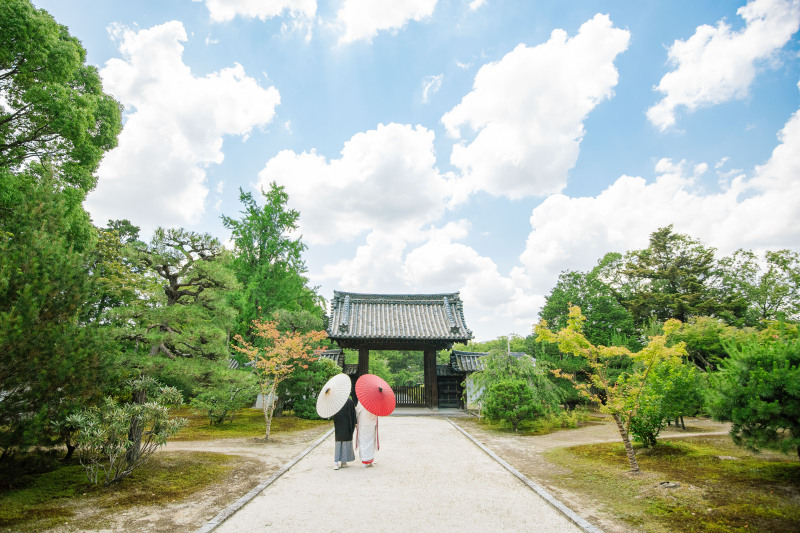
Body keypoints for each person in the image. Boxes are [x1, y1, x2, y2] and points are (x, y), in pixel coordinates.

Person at [331, 396, 356, 470]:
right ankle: (343, 462)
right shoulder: (350, 402)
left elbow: (333, 415)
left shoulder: (336, 402)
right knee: (345, 443)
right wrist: (354, 423)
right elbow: (353, 415)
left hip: (339, 425)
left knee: (339, 442)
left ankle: (337, 462)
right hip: (347, 426)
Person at [355, 401, 378, 467]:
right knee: (370, 441)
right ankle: (370, 460)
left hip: (363, 424)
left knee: (363, 442)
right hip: (371, 424)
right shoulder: (374, 402)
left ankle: (365, 461)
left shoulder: (361, 401)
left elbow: (357, 412)